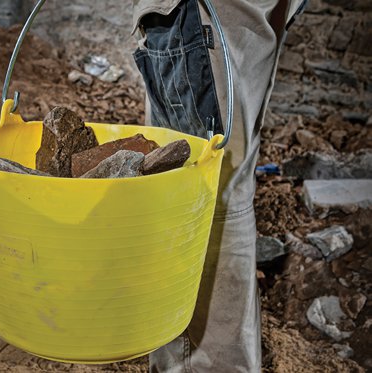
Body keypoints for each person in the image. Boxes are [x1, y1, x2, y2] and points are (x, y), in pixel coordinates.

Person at [131, 0, 306, 371]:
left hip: (201, 12)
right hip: (229, 15)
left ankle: (201, 363)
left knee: (199, 196)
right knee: (224, 186)